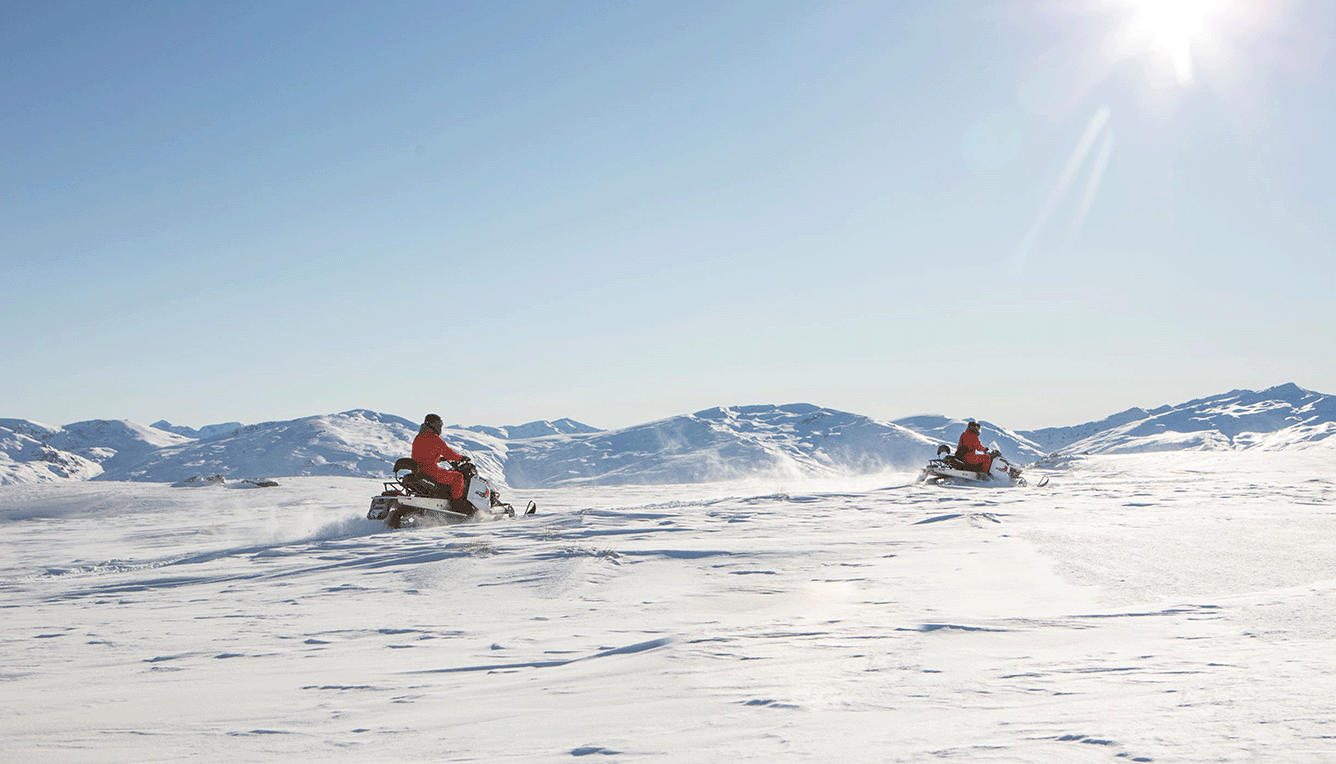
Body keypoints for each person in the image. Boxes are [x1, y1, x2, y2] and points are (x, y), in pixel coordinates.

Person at [411, 413, 470, 499]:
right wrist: (461, 458)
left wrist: (440, 459)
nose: (440, 428)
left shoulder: (418, 437)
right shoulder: (433, 438)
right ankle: (457, 503)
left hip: (418, 471)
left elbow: (424, 456)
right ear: (435, 425)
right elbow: (449, 454)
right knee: (458, 477)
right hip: (431, 472)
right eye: (439, 425)